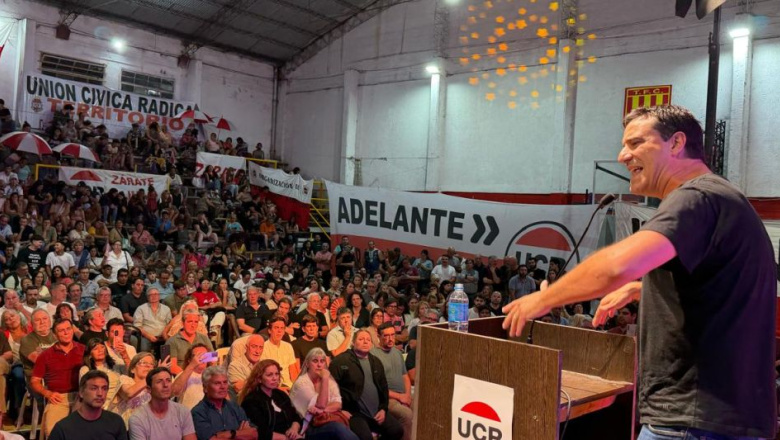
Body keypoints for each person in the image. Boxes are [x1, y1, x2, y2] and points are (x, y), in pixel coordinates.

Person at [502, 105, 777, 440]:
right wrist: (641, 289)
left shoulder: (696, 196)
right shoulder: (723, 198)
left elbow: (617, 265)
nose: (622, 156)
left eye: (634, 144)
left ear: (676, 143)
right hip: (723, 419)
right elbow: (719, 288)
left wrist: (544, 298)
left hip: (691, 422)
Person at [329, 329, 403, 440]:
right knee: (365, 438)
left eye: (368, 340)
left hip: (377, 412)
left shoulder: (376, 362)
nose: (365, 342)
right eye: (361, 339)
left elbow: (383, 388)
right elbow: (329, 389)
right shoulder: (340, 361)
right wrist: (339, 411)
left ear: (372, 344)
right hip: (354, 414)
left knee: (397, 430)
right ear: (353, 342)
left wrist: (383, 409)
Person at [30, 318, 87, 438]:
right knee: (53, 433)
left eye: (68, 329)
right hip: (58, 398)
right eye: (61, 331)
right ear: (55, 335)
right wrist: (47, 393)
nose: (66, 333)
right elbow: (35, 381)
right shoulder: (45, 355)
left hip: (82, 397)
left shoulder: (84, 350)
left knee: (84, 433)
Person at [289, 348, 359, 440]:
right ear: (307, 364)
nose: (319, 365)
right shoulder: (301, 383)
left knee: (356, 425)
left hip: (324, 420)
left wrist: (323, 410)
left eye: (322, 361)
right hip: (306, 426)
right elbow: (320, 405)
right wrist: (325, 379)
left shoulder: (331, 382)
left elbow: (338, 404)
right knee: (336, 428)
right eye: (315, 361)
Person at [48, 370, 128, 440]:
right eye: (94, 388)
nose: (100, 394)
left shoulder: (116, 421)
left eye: (104, 388)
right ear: (81, 393)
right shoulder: (63, 428)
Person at [238, 360, 302, 440]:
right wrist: (285, 438)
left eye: (277, 374)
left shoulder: (281, 395)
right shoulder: (251, 401)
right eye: (269, 375)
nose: (275, 378)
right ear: (259, 379)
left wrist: (294, 429)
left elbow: (295, 416)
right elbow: (259, 432)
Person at [128, 367, 197, 440]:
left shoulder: (183, 411)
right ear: (149, 389)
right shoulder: (137, 418)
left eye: (168, 380)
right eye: (159, 381)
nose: (165, 385)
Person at [191, 366, 258, 440]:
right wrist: (240, 433)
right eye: (217, 383)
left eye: (225, 382)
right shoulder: (198, 412)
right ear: (205, 388)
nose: (223, 387)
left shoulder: (234, 407)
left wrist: (230, 434)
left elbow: (254, 433)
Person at [370, 323, 413, 440]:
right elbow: (376, 386)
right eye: (386, 336)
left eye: (393, 335)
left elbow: (405, 376)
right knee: (407, 414)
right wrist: (400, 397)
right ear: (379, 336)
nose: (390, 339)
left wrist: (407, 395)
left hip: (403, 395)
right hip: (387, 398)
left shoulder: (398, 353)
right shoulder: (373, 355)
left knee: (422, 407)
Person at [259, 315, 298, 390]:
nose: (279, 331)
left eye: (282, 328)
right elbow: (264, 375)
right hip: (272, 387)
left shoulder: (288, 346)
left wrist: (297, 387)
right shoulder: (263, 347)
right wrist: (279, 388)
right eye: (276, 328)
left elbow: (293, 372)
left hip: (289, 386)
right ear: (270, 330)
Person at [171, 344, 211, 409]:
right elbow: (174, 391)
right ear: (189, 360)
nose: (201, 358)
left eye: (204, 355)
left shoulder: (213, 376)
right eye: (197, 356)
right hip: (190, 415)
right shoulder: (184, 374)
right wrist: (191, 366)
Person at [132, 288, 172, 352]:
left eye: (156, 294)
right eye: (151, 294)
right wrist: (148, 335)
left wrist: (165, 335)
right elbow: (137, 326)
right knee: (144, 349)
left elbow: (170, 325)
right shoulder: (141, 308)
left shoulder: (166, 309)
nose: (154, 296)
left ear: (159, 296)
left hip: (163, 337)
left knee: (170, 350)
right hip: (146, 337)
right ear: (147, 297)